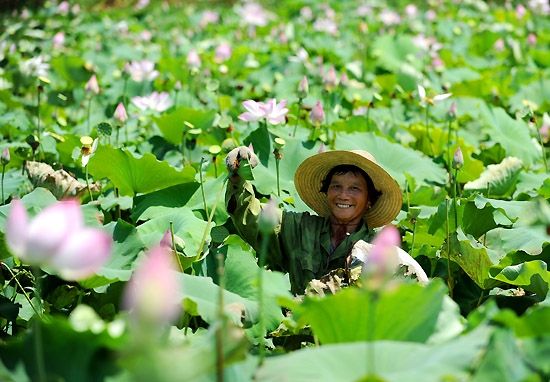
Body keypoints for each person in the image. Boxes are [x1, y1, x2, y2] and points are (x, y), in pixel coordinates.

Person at [225, 147, 403, 294]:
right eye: (336, 186)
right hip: (291, 328)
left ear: (370, 200)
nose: (343, 195)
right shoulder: (300, 227)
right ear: (326, 192)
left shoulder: (377, 250)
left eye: (354, 189)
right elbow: (251, 218)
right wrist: (238, 179)